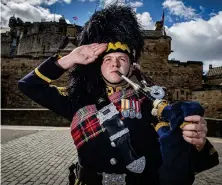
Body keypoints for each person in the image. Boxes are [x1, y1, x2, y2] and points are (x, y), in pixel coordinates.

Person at [18, 5, 219, 185]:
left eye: (122, 58)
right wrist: (69, 59)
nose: (115, 63)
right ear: (98, 67)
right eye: (108, 60)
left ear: (131, 66)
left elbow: (178, 154)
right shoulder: (77, 100)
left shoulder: (152, 102)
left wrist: (196, 140)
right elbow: (29, 86)